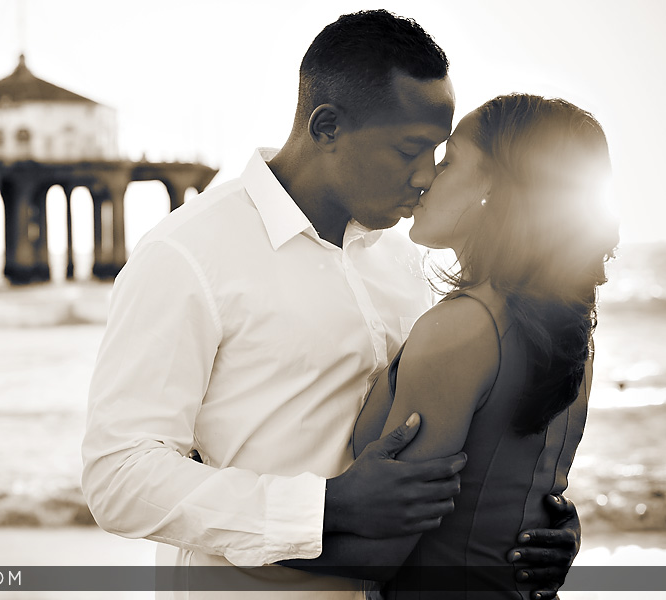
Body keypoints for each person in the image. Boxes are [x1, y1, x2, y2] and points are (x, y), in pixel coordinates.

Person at [82, 10, 579, 598]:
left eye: (439, 153)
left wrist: (528, 523)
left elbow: (453, 434)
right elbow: (118, 476)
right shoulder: (188, 253)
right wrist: (321, 506)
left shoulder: (401, 261)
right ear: (326, 127)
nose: (427, 176)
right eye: (409, 149)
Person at [344, 94, 618, 598]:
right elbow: (518, 487)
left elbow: (380, 550)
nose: (425, 177)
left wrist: (232, 534)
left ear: (496, 187)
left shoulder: (461, 328)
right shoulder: (569, 325)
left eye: (448, 163)